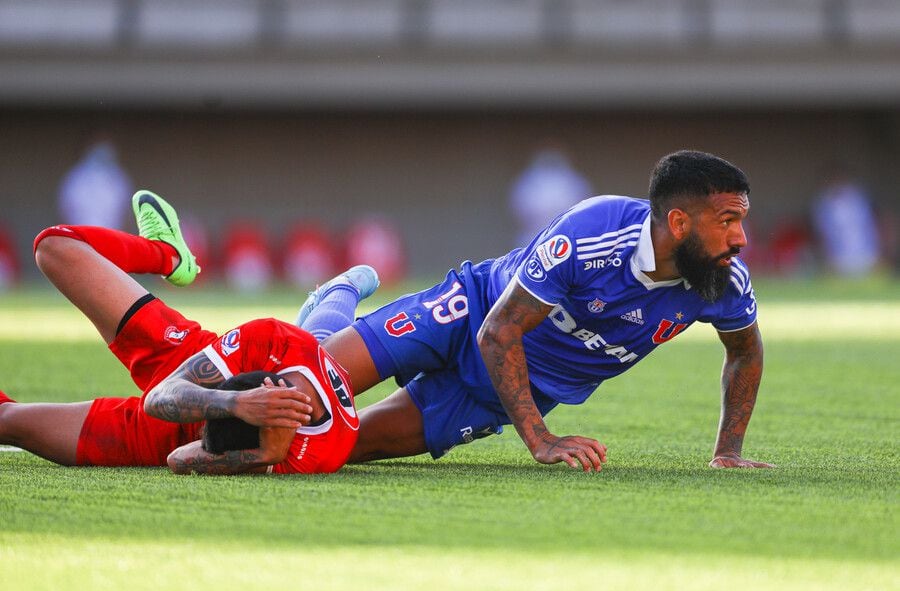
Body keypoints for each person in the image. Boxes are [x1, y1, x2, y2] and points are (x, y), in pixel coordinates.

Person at [297, 150, 774, 472]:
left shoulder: (723, 279)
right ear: (678, 222)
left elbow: (745, 353)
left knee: (320, 446)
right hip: (469, 314)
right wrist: (541, 440)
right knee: (303, 384)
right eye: (727, 221)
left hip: (498, 393)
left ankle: (324, 325)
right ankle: (333, 304)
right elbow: (498, 330)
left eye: (742, 221)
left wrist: (727, 453)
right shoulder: (594, 233)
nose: (741, 239)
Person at [0, 191, 376, 475]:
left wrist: (262, 452)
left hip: (157, 433)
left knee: (7, 422)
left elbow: (177, 457)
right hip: (190, 357)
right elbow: (160, 396)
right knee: (54, 246)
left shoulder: (307, 457)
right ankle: (167, 254)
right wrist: (233, 403)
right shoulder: (274, 341)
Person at [509, 146, 592, 247]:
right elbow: (520, 207)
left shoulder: (573, 181)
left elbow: (583, 208)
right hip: (533, 236)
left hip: (567, 237)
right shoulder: (529, 181)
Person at [811, 167, 882, 277]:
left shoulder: (859, 199)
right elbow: (823, 233)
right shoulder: (823, 204)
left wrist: (879, 252)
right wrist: (827, 257)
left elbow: (872, 225)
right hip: (838, 259)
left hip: (866, 255)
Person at [58, 136, 133, 230]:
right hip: (81, 235)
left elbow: (126, 212)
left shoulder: (118, 177)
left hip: (111, 235)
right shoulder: (76, 176)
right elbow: (66, 211)